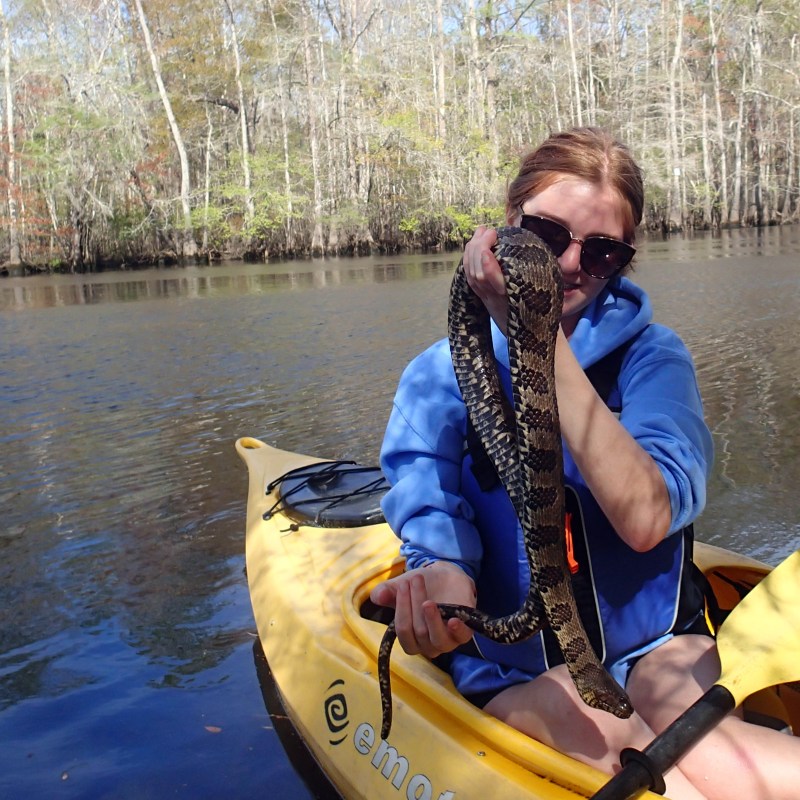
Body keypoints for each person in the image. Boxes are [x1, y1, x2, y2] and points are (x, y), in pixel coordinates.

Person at [370, 127, 800, 799]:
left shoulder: (655, 360)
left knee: (712, 738)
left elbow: (647, 520)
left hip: (658, 648)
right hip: (522, 673)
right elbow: (433, 524)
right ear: (507, 224)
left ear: (623, 261)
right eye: (546, 235)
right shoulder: (437, 380)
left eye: (601, 251)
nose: (570, 265)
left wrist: (535, 339)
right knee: (609, 738)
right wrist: (442, 588)